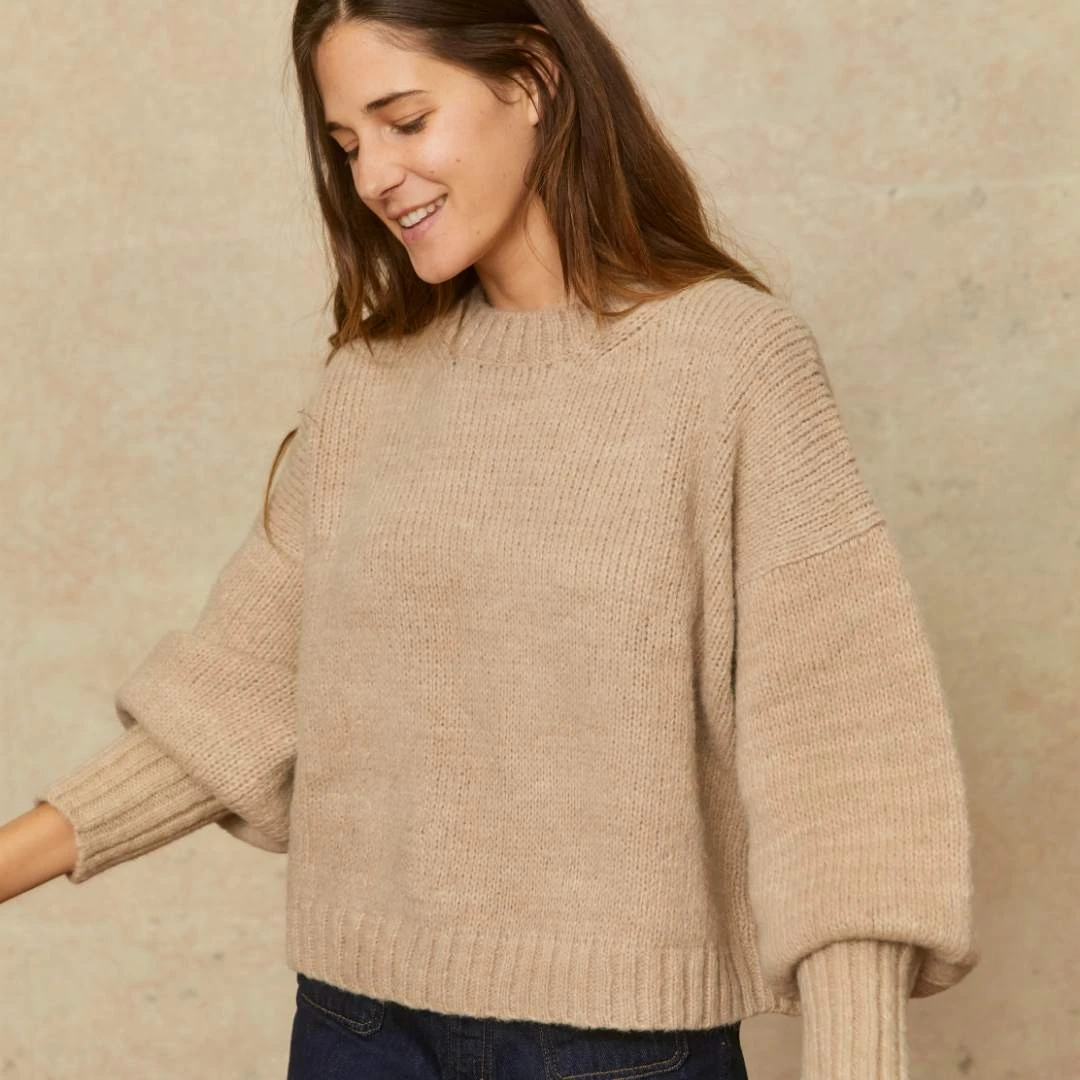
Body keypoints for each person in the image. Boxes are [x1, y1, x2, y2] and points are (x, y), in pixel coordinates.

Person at [1, 1, 981, 1078]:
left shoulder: (732, 363)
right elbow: (236, 695)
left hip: (619, 1048)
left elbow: (842, 749)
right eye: (348, 144)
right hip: (355, 1029)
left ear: (533, 80)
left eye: (405, 121)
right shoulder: (369, 386)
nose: (375, 176)